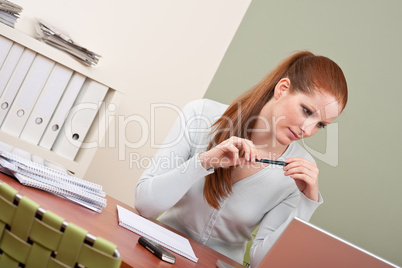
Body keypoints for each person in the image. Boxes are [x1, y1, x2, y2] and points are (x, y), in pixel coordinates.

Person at [134, 51, 348, 267]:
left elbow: (261, 262)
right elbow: (145, 205)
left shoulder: (298, 173)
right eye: (306, 111)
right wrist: (204, 162)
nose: (308, 130)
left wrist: (306, 204)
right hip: (157, 254)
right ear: (283, 89)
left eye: (321, 125)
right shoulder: (200, 115)